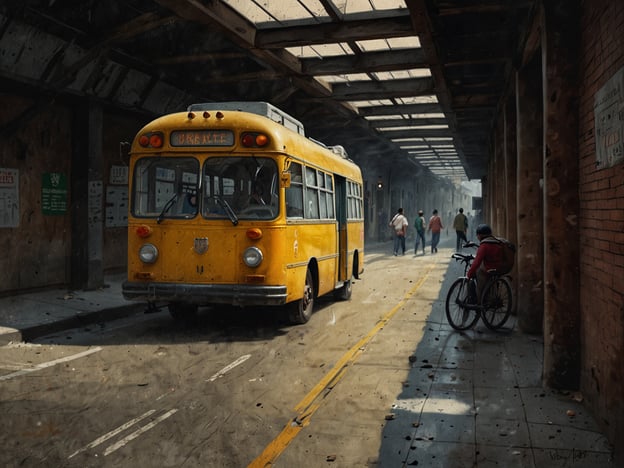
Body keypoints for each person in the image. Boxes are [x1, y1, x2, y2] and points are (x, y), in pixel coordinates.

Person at [467, 224, 505, 302]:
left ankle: (479, 301)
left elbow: (477, 261)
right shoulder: (497, 243)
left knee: (478, 273)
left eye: (477, 235)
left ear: (480, 235)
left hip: (488, 268)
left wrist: (470, 273)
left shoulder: (484, 245)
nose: (477, 237)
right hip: (499, 268)